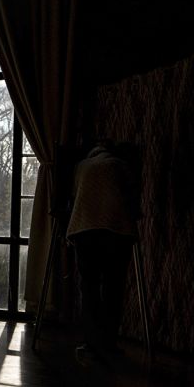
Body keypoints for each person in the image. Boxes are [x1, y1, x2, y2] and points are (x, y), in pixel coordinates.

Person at [67, 140, 139, 357]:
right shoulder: (120, 165)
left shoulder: (81, 167)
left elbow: (73, 198)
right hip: (116, 232)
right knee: (113, 288)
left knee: (88, 288)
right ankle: (109, 343)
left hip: (84, 230)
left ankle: (90, 343)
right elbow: (133, 200)